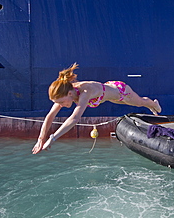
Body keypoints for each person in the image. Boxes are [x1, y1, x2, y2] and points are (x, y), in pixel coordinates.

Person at [32, 63, 162, 154]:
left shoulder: (85, 91)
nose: (60, 105)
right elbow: (50, 116)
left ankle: (154, 104)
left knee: (139, 103)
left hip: (120, 91)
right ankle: (152, 105)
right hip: (110, 96)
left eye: (60, 102)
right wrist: (40, 139)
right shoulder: (67, 92)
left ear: (70, 94)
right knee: (137, 103)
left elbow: (75, 118)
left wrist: (53, 138)